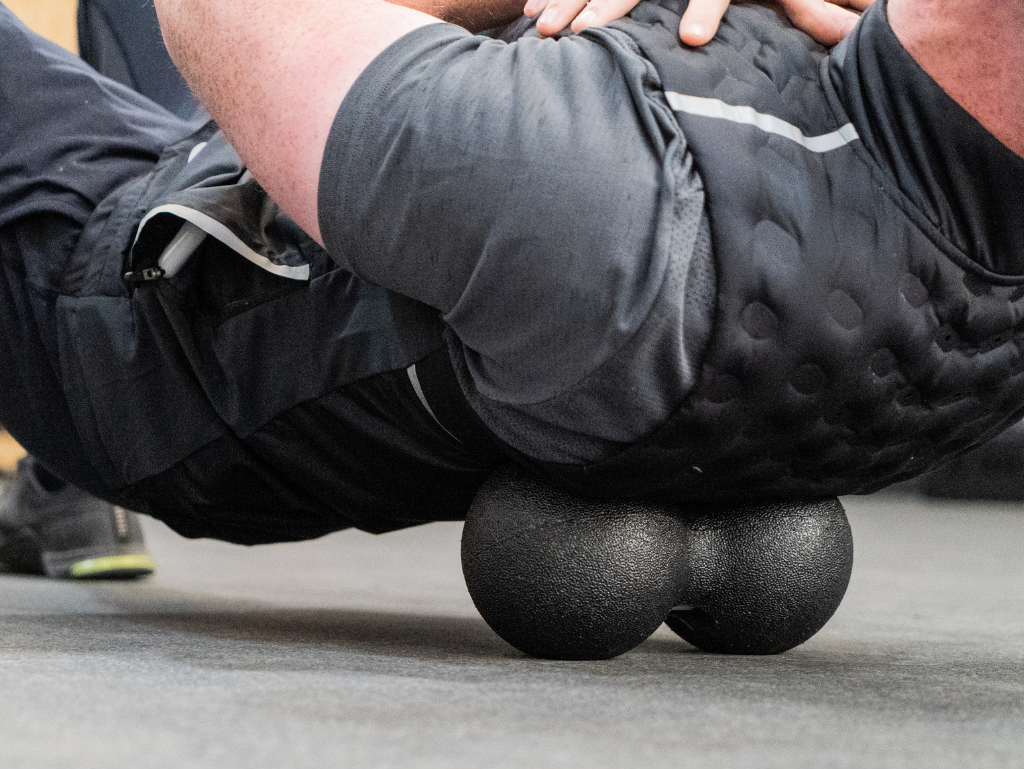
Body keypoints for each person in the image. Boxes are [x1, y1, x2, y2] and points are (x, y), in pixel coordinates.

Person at [0, 0, 1020, 571]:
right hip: (274, 202)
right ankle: (57, 504)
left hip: (105, 321)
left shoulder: (601, 179)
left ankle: (64, 476)